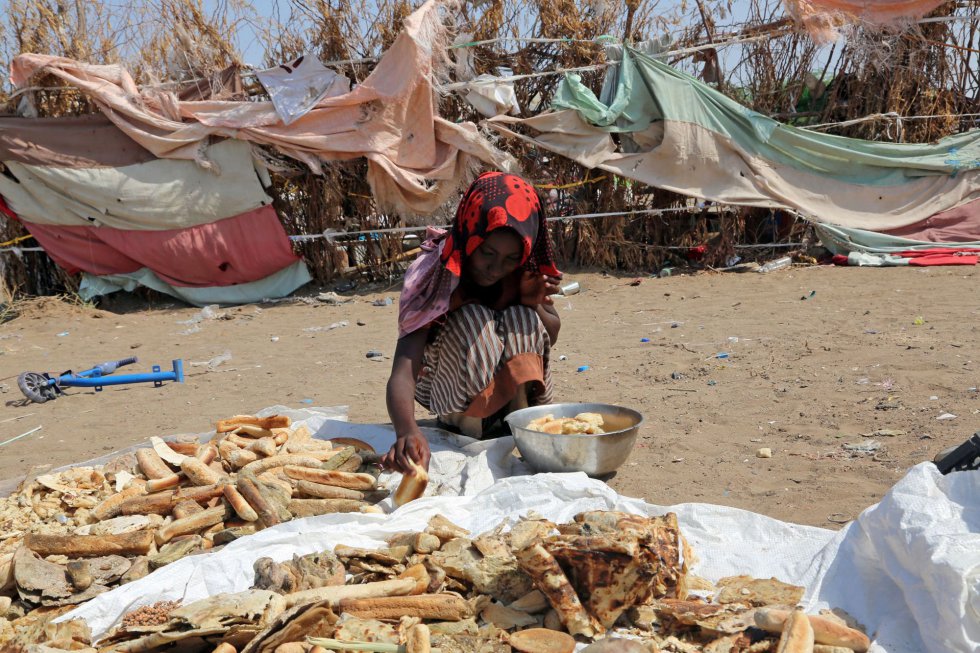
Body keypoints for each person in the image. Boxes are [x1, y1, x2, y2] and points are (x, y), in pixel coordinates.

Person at [381, 172, 563, 474]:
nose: (496, 268)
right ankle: (469, 429)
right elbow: (403, 369)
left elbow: (549, 336)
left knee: (523, 317)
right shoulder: (434, 276)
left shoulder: (524, 271)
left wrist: (533, 303)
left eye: (509, 259)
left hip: (507, 392)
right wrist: (406, 431)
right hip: (445, 388)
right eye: (487, 252)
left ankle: (520, 426)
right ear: (469, 234)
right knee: (472, 319)